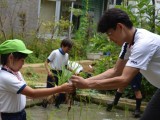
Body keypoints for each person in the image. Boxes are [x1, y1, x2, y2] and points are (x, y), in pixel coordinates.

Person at [71, 8, 160, 120]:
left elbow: (124, 79)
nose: (110, 39)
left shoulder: (143, 43)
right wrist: (84, 82)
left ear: (119, 27)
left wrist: (87, 85)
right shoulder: (128, 44)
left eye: (110, 34)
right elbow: (115, 71)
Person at [0, 39, 74, 120]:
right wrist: (60, 89)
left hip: (20, 113)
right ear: (11, 58)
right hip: (10, 117)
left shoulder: (15, 73)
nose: (23, 63)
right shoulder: (6, 77)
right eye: (22, 60)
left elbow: (27, 93)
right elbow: (32, 93)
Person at [44, 38, 73, 108]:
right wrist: (49, 71)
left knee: (62, 90)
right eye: (67, 48)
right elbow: (46, 62)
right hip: (53, 73)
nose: (68, 50)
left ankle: (57, 105)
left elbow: (65, 66)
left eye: (69, 49)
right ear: (63, 45)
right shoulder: (55, 52)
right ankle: (45, 105)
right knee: (50, 90)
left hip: (61, 74)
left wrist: (74, 71)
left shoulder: (66, 55)